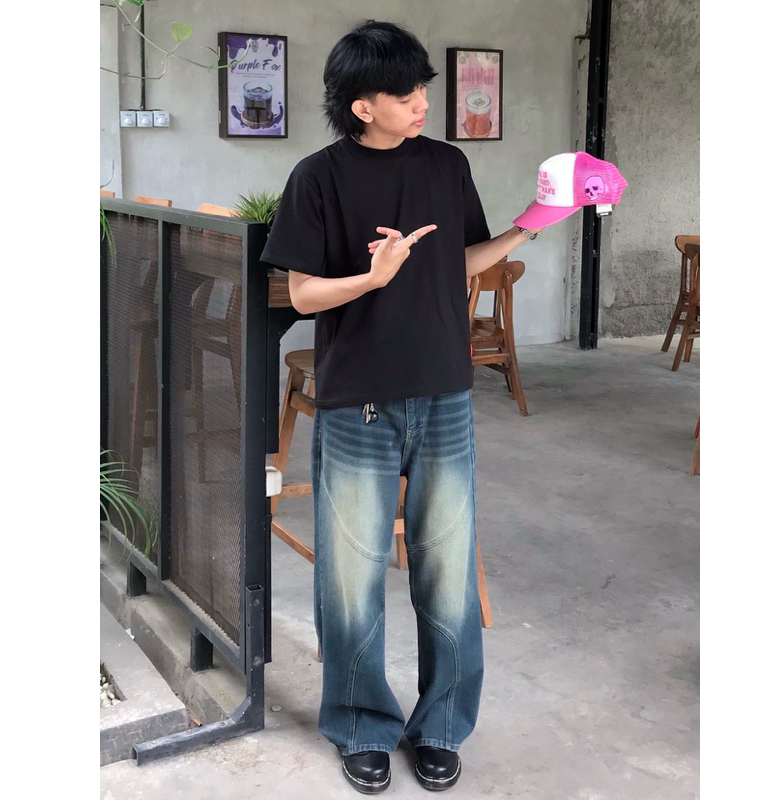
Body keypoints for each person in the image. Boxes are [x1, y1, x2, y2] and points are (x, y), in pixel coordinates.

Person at [260, 20, 545, 794]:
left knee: (447, 570)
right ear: (362, 106)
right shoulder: (318, 178)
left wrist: (532, 223)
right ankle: (360, 724)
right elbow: (300, 293)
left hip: (444, 392)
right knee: (351, 577)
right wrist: (372, 278)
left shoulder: (447, 165)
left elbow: (461, 260)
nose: (422, 101)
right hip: (359, 400)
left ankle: (442, 725)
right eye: (405, 92)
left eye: (423, 88)